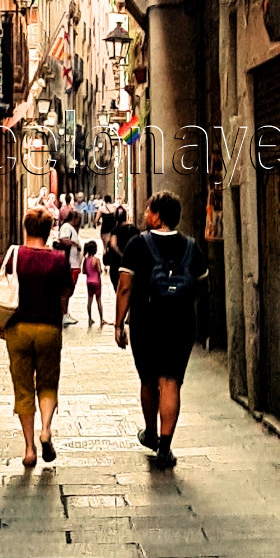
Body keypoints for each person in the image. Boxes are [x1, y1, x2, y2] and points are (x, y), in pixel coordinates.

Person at [115, 191, 208, 470]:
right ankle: (165, 449)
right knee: (170, 381)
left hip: (146, 323)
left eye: (148, 210)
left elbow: (125, 287)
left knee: (148, 381)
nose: (145, 215)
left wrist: (119, 323)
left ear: (157, 216)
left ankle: (151, 432)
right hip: (181, 324)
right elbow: (202, 288)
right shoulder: (192, 248)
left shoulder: (137, 246)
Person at [0, 207, 73, 467]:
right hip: (48, 328)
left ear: (26, 229)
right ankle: (46, 429)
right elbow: (65, 293)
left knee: (23, 388)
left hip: (18, 329)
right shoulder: (59, 259)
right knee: (47, 384)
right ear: (48, 232)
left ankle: (29, 449)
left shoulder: (13, 256)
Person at [58, 209, 82, 326]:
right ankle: (63, 314)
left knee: (69, 291)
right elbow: (64, 240)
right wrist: (76, 244)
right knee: (66, 291)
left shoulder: (70, 227)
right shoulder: (67, 227)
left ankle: (65, 313)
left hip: (74, 264)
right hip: (70, 264)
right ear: (74, 218)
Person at [106, 217, 139, 291]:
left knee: (117, 286)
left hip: (116, 263)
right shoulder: (135, 230)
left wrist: (121, 254)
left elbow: (113, 245)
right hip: (131, 262)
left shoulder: (115, 230)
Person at [82, 240, 108, 328]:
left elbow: (83, 271)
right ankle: (101, 319)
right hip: (96, 282)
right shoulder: (96, 260)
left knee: (89, 300)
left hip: (88, 282)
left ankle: (89, 318)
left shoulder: (85, 260)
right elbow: (99, 270)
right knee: (99, 301)